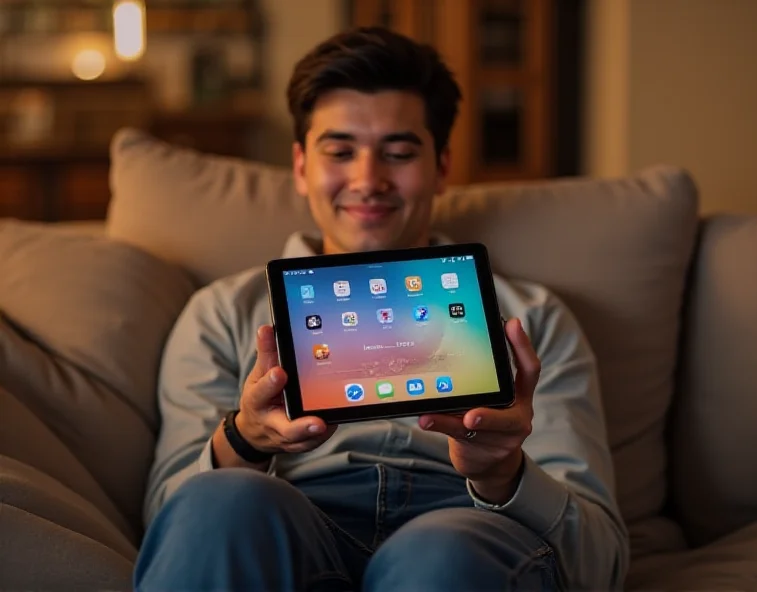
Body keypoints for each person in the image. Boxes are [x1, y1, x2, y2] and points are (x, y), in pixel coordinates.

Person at [134, 26, 629, 592]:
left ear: (442, 166)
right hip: (287, 526)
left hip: (468, 535)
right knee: (220, 503)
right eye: (340, 151)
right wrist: (246, 438)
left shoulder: (531, 319)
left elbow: (601, 562)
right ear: (300, 165)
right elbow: (172, 520)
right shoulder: (221, 313)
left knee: (438, 554)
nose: (368, 180)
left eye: (398, 153)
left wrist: (502, 473)